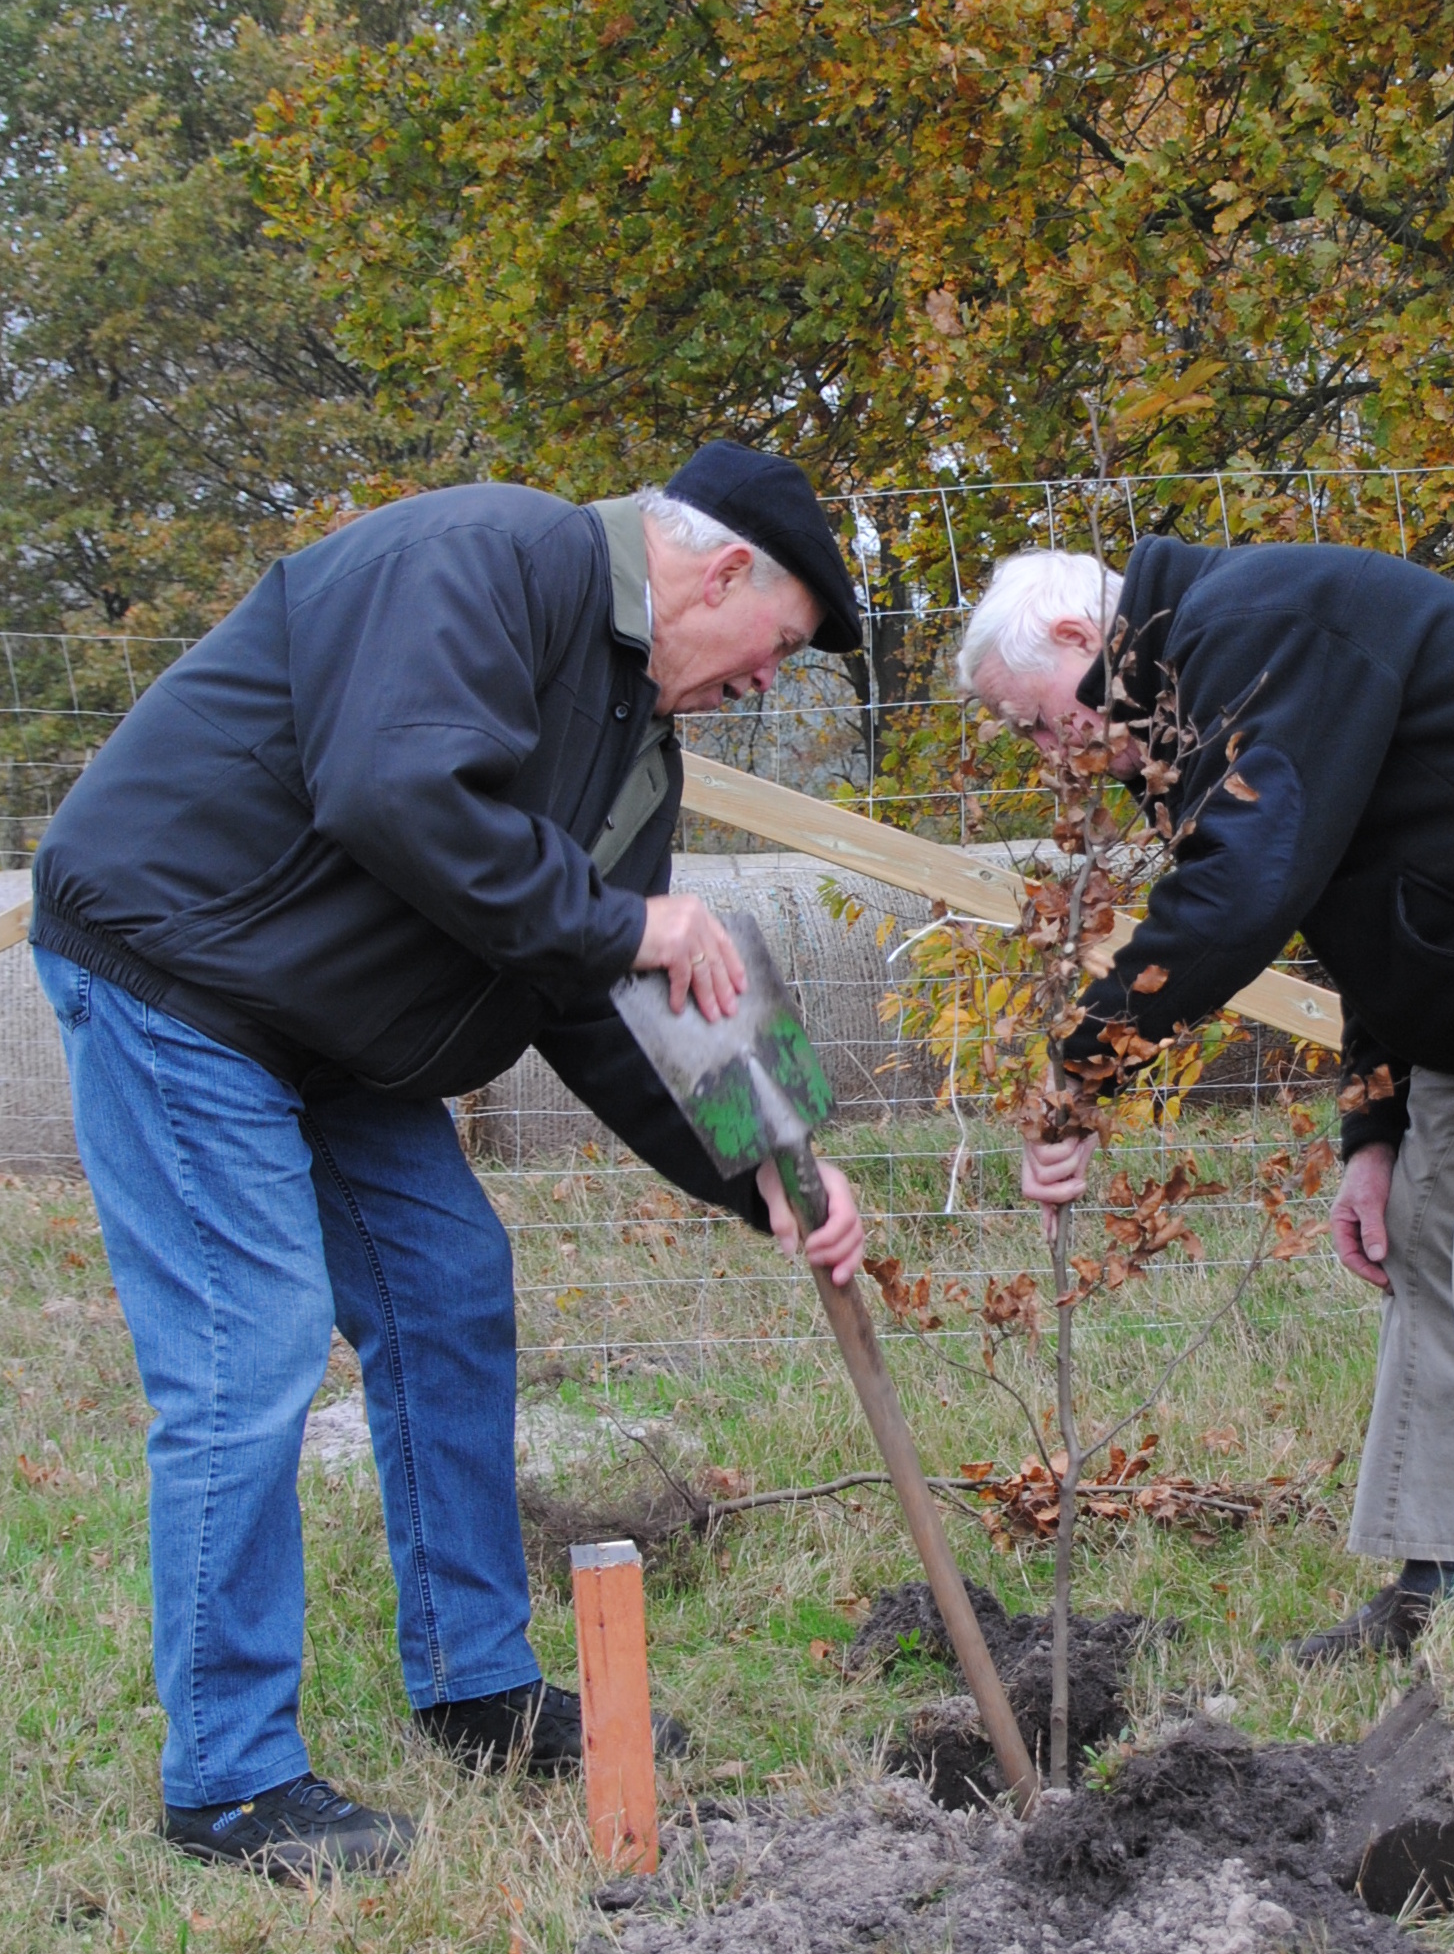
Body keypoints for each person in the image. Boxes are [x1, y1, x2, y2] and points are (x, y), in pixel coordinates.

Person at [31, 443, 867, 1879]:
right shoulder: (487, 556)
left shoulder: (637, 751)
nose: (766, 685)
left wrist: (775, 1157)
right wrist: (626, 930)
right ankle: (229, 1780)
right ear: (722, 572)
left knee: (451, 1283)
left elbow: (604, 992)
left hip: (333, 1037)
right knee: (253, 1340)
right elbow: (391, 789)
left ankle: (474, 1681)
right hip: (182, 975)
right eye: (779, 645)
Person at [957, 537, 1454, 1699]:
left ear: (1081, 645)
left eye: (1031, 721)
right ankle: (1448, 1586)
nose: (1047, 753)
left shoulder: (1252, 629)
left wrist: (1075, 1076)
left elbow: (1241, 889)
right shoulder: (1192, 683)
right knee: (1428, 1252)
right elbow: (1351, 908)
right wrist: (1371, 1138)